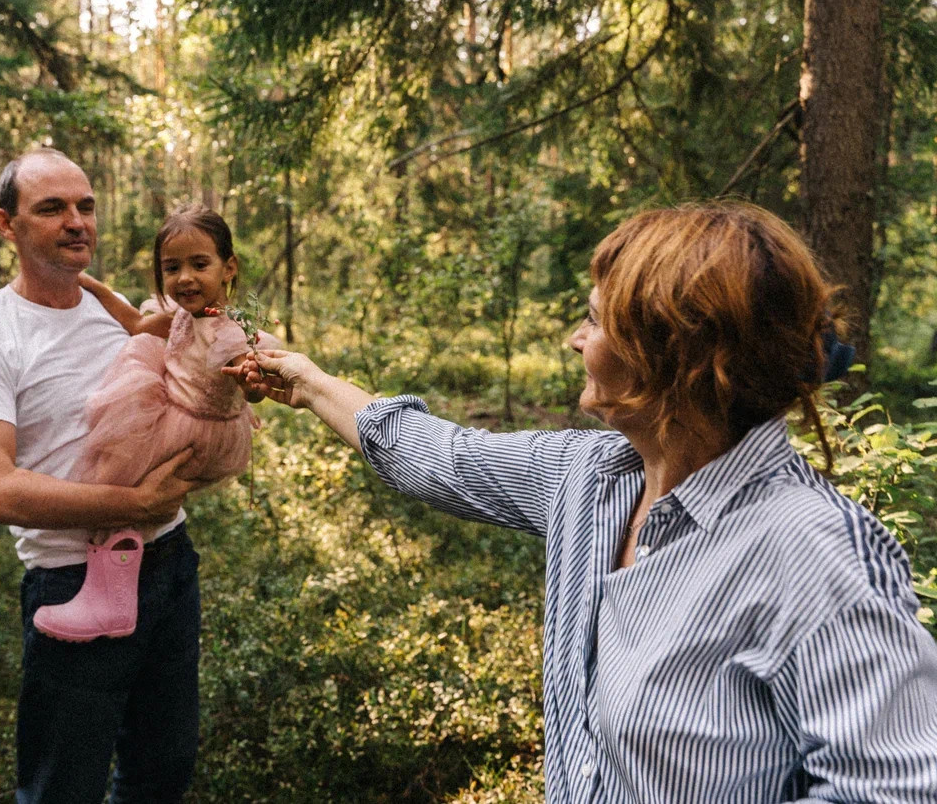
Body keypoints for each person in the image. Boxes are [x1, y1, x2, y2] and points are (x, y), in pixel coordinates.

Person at [229, 202, 937, 802]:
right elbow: (441, 455)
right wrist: (309, 382)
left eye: (595, 321)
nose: (575, 339)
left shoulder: (816, 552)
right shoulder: (593, 478)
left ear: (676, 354)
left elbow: (895, 790)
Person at [0, 147, 203, 804]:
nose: (76, 221)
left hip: (169, 565)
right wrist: (134, 502)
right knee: (62, 788)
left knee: (162, 773)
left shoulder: (120, 313)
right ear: (6, 224)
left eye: (85, 205)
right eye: (52, 208)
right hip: (71, 581)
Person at [32, 203, 278, 643]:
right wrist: (90, 284)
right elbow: (137, 324)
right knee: (124, 482)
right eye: (172, 268)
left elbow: (253, 385)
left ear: (229, 268)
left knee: (117, 479)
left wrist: (252, 382)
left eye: (199, 264)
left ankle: (110, 603)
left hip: (196, 429)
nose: (185, 278)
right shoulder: (183, 316)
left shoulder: (228, 334)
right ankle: (106, 593)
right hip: (179, 412)